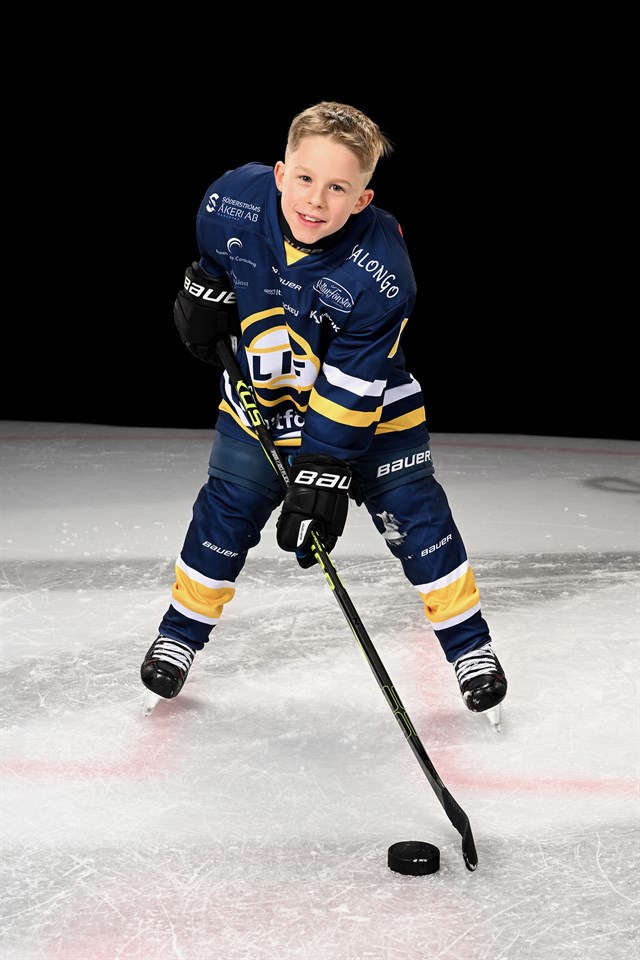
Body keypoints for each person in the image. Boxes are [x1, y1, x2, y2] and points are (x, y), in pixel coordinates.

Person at [140, 101, 507, 726]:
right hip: (263, 395)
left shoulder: (382, 272)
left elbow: (353, 384)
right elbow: (218, 268)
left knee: (417, 518)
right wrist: (204, 294)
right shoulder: (229, 201)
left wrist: (324, 471)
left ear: (363, 199)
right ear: (281, 173)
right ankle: (179, 635)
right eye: (306, 179)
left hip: (369, 410)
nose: (316, 200)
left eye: (338, 188)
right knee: (224, 514)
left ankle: (471, 648)